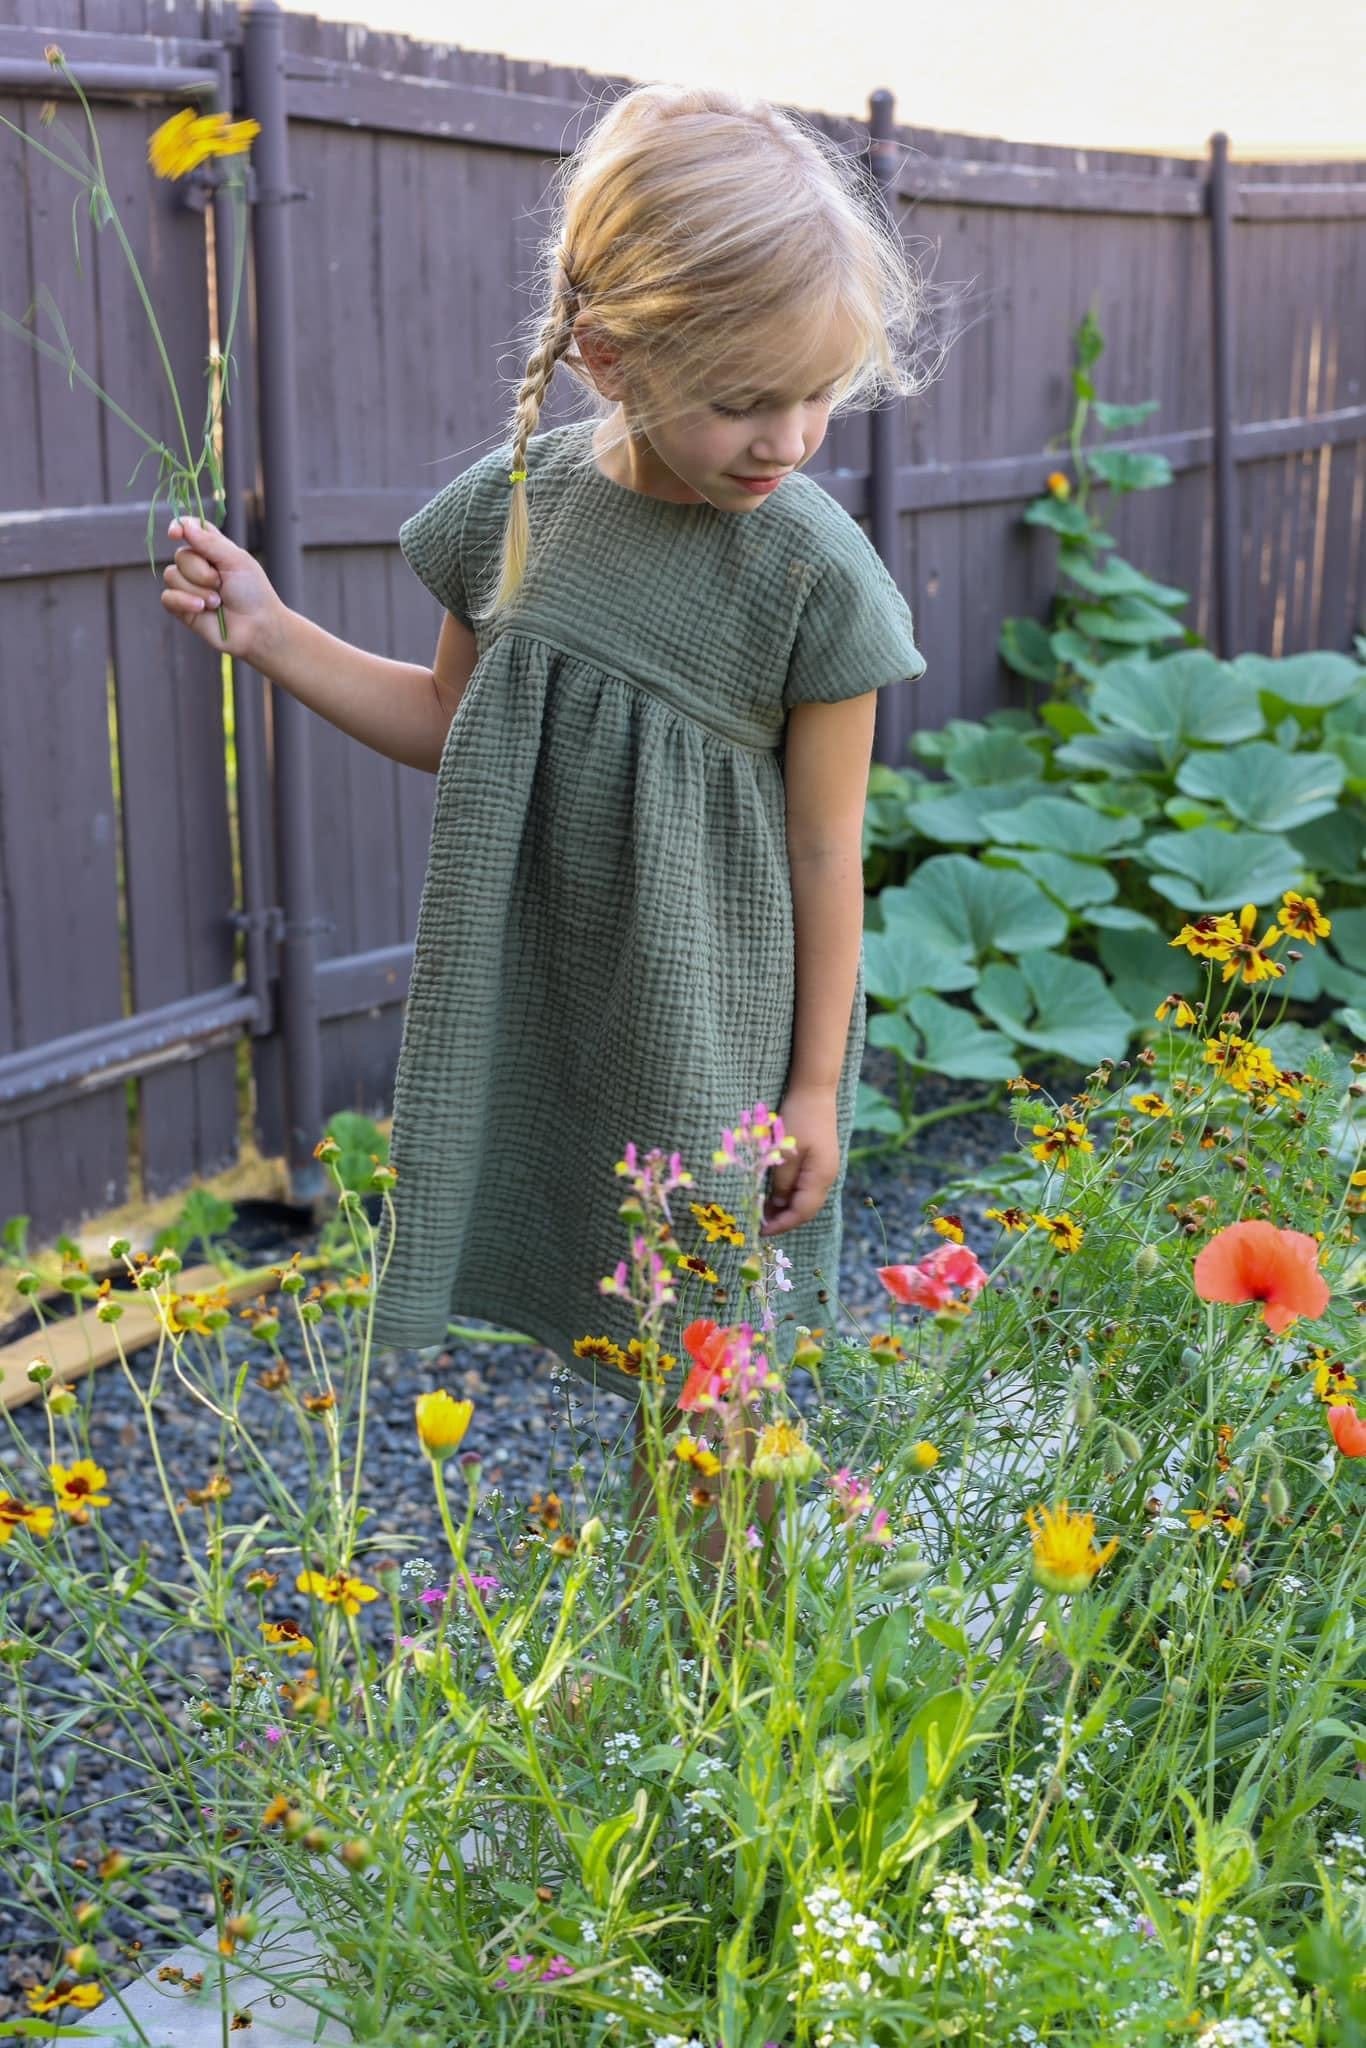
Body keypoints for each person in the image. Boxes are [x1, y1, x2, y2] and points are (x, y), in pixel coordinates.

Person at [158, 80, 930, 1584]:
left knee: (716, 1372)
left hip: (714, 1026)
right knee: (623, 1336)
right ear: (609, 354)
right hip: (557, 1001)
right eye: (741, 396)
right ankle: (670, 1663)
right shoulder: (512, 507)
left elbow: (827, 851)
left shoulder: (813, 577)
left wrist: (819, 1087)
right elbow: (458, 725)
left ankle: (732, 1673)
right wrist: (268, 630)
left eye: (815, 395)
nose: (785, 436)